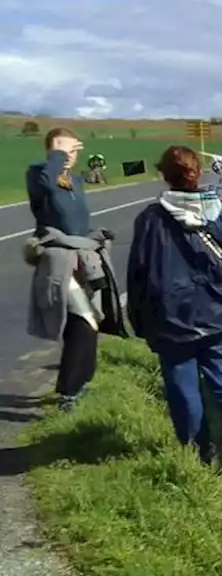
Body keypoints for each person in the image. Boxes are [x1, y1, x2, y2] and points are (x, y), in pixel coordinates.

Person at [126, 145, 222, 484]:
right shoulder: (221, 214)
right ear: (198, 173)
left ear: (164, 175)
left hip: (172, 321)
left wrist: (137, 320)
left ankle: (200, 460)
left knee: (184, 390)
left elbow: (137, 275)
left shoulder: (151, 220)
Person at [25, 128, 125, 411]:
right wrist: (57, 151)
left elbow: (76, 222)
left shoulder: (73, 181)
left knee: (83, 321)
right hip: (57, 260)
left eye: (74, 151)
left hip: (82, 258)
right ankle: (69, 394)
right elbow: (50, 189)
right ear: (52, 150)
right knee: (85, 319)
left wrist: (95, 235)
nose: (70, 156)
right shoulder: (38, 176)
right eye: (65, 150)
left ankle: (80, 383)